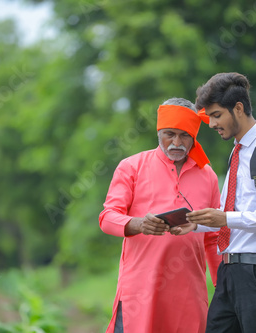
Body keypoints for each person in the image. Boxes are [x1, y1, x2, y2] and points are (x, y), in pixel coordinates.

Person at [183, 72, 256, 332]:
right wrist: (195, 225)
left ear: (238, 108)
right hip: (228, 270)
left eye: (216, 115)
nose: (211, 124)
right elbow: (229, 214)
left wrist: (226, 218)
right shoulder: (237, 151)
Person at [99, 97, 222, 333]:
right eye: (169, 134)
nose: (176, 142)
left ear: (194, 136)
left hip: (190, 294)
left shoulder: (208, 175)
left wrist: (222, 286)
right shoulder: (132, 166)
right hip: (140, 292)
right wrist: (138, 224)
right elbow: (107, 218)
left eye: (184, 135)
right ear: (159, 133)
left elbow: (214, 237)